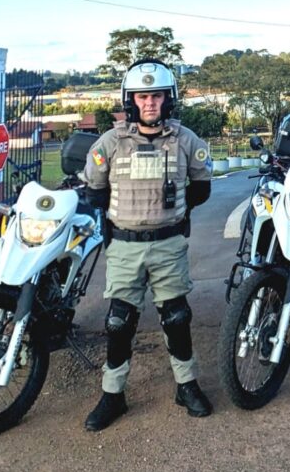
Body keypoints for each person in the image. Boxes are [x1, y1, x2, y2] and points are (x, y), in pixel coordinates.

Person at [82, 59, 214, 431]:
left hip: (168, 244)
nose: (150, 103)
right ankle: (113, 395)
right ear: (131, 100)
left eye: (157, 95)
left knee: (177, 316)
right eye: (143, 96)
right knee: (119, 321)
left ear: (167, 100)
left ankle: (186, 386)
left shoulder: (186, 140)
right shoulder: (109, 143)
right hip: (125, 245)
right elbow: (95, 193)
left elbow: (201, 189)